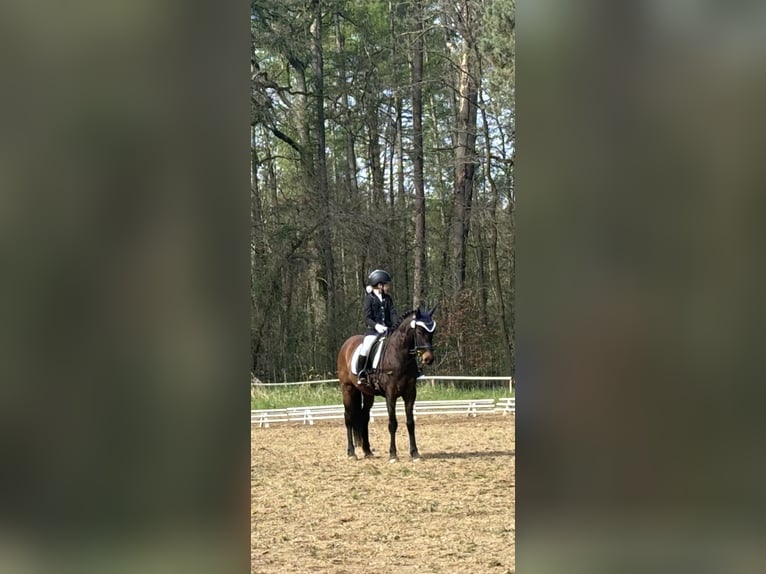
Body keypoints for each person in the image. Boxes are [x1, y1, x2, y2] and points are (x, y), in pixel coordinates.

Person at [356, 269, 398, 389]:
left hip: (388, 330)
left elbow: (393, 313)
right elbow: (367, 318)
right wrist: (376, 326)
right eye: (386, 284)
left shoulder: (387, 298)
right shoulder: (369, 299)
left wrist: (396, 326)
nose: (388, 287)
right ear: (380, 285)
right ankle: (362, 372)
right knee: (366, 347)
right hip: (373, 331)